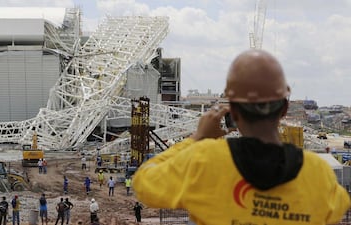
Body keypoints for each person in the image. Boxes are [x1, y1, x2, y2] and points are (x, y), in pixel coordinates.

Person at [132, 49, 351, 225]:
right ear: (284, 108)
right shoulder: (318, 174)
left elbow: (143, 183)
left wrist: (197, 138)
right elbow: (338, 207)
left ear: (234, 112)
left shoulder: (204, 161)